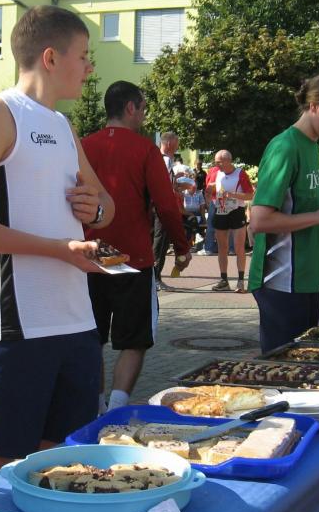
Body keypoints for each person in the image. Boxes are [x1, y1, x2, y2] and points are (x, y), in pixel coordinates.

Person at [0, 5, 115, 477]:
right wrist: (58, 250)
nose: (89, 67)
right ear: (50, 58)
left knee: (65, 468)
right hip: (11, 330)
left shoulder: (62, 125)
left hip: (75, 324)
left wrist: (94, 210)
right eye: (83, 56)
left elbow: (107, 206)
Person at [83, 81, 190, 412]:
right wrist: (182, 247)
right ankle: (118, 406)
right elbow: (166, 205)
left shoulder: (82, 146)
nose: (144, 115)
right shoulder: (145, 150)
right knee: (135, 340)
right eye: (143, 108)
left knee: (91, 338)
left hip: (90, 254)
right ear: (130, 108)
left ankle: (96, 407)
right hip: (133, 257)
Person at [249, 72, 319, 353]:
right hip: (281, 281)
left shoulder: (311, 147)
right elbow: (259, 220)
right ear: (314, 105)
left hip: (308, 278)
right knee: (285, 368)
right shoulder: (285, 146)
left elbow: (303, 210)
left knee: (305, 366)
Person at [205, 150, 254, 293]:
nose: (216, 165)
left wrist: (231, 194)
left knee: (239, 247)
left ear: (228, 161)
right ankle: (224, 280)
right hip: (220, 211)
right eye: (215, 162)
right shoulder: (214, 172)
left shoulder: (240, 174)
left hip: (236, 212)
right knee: (222, 247)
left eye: (219, 162)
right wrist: (210, 191)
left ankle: (240, 281)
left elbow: (250, 195)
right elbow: (209, 192)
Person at [152, 132, 180, 289]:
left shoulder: (155, 158)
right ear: (169, 143)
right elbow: (164, 185)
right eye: (177, 143)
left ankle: (154, 277)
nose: (178, 146)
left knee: (157, 240)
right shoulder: (166, 160)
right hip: (162, 207)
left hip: (153, 205)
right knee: (160, 241)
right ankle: (155, 278)